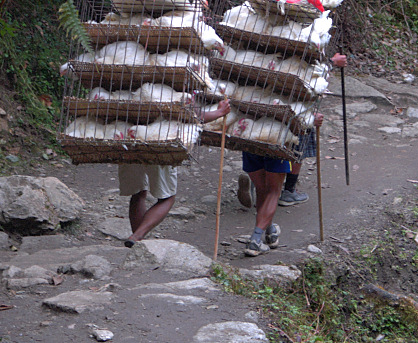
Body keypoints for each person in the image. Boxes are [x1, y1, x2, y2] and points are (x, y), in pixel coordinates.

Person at [122, 99, 231, 247]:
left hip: (128, 139)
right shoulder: (178, 83)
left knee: (138, 192)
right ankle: (137, 236)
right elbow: (192, 114)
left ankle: (137, 243)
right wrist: (220, 112)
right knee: (167, 197)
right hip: (158, 140)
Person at [241, 111, 324, 256]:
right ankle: (255, 240)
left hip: (251, 137)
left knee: (262, 190)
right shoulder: (292, 90)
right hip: (277, 140)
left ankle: (270, 231)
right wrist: (312, 120)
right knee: (273, 191)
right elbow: (296, 114)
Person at [278, 52, 347, 206]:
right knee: (298, 144)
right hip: (297, 103)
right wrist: (332, 62)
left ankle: (259, 185)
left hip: (273, 98)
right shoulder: (301, 43)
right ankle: (288, 191)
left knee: (273, 138)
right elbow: (306, 77)